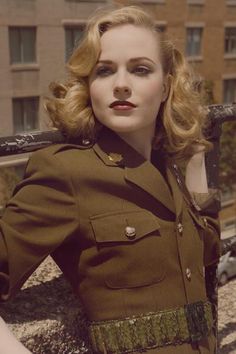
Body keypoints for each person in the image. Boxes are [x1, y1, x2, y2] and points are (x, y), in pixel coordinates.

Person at [0, 5, 221, 354]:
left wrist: (193, 161)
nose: (120, 85)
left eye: (140, 69)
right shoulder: (66, 172)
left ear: (164, 89)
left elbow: (206, 251)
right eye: (104, 71)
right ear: (89, 86)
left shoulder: (166, 165)